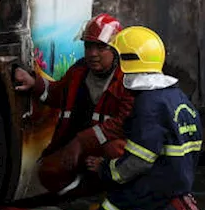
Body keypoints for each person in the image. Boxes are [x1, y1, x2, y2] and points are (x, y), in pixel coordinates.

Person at [85, 25, 205, 210]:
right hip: (177, 195)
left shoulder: (148, 104)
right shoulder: (177, 98)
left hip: (153, 194)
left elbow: (140, 161)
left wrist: (106, 170)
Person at [15, 13, 136, 195]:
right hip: (79, 148)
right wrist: (35, 83)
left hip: (106, 148)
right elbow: (57, 93)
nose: (93, 54)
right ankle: (79, 191)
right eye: (88, 46)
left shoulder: (126, 80)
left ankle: (108, 191)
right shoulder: (79, 71)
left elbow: (123, 123)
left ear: (115, 50)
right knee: (49, 170)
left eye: (101, 47)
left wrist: (82, 141)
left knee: (116, 150)